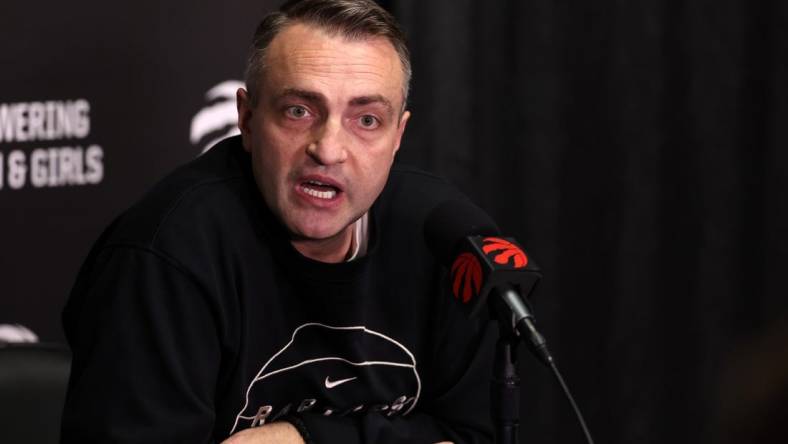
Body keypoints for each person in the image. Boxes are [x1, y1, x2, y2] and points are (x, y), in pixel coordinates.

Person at [60, 0, 495, 442]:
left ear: (398, 136)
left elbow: (479, 435)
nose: (328, 150)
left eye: (366, 120)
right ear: (246, 119)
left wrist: (305, 438)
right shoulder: (166, 255)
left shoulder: (446, 239)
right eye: (299, 111)